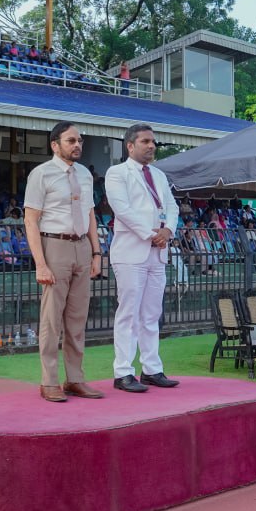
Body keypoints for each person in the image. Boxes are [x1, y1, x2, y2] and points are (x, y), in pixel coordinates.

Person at [24, 122, 103, 402]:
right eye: (71, 141)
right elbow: (30, 221)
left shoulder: (84, 174)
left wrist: (96, 253)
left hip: (82, 246)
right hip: (54, 245)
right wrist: (41, 264)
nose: (77, 145)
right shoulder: (41, 175)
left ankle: (75, 379)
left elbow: (91, 214)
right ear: (55, 145)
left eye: (79, 140)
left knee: (78, 318)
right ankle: (49, 382)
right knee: (51, 319)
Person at [105, 123, 179, 393]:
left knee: (151, 313)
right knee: (129, 312)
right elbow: (122, 209)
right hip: (131, 251)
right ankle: (123, 372)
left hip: (157, 252)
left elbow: (172, 205)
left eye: (153, 142)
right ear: (130, 145)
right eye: (146, 141)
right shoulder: (117, 173)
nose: (151, 146)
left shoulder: (158, 174)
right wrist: (152, 234)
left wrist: (168, 230)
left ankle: (151, 368)